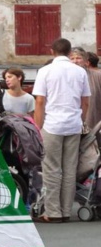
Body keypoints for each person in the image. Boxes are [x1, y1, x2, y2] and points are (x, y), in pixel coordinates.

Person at [33, 38, 90, 223]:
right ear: (68, 52)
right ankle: (66, 211)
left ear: (52, 52)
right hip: (73, 124)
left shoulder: (45, 71)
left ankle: (53, 212)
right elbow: (85, 100)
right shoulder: (80, 71)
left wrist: (37, 126)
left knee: (51, 169)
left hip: (52, 124)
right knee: (69, 169)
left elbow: (40, 101)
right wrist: (80, 120)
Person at [70, 47, 101, 130]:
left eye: (78, 58)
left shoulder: (98, 76)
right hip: (70, 124)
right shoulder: (63, 77)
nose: (75, 61)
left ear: (86, 61)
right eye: (72, 58)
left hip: (94, 123)